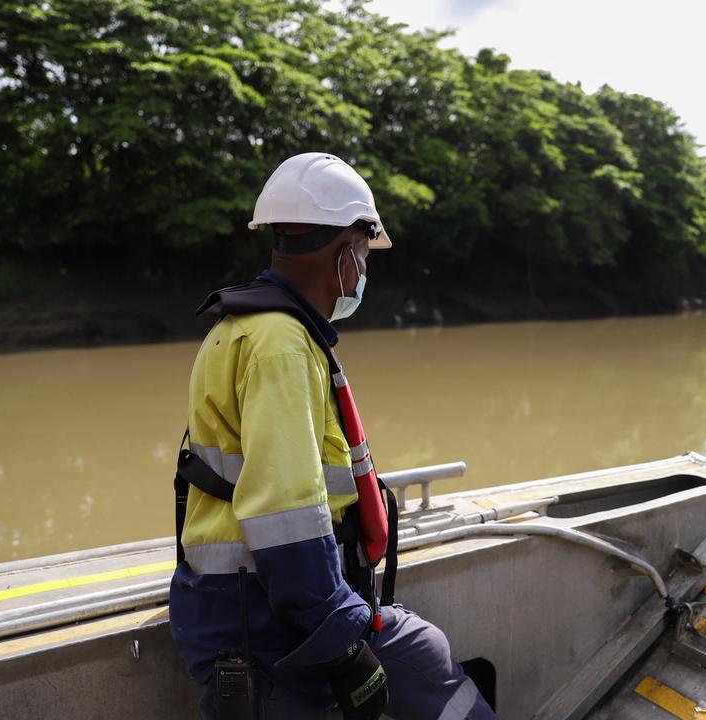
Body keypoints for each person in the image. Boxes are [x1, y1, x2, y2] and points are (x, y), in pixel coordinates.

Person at [169, 152, 496, 720]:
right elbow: (284, 517)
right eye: (365, 253)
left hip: (268, 604)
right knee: (423, 666)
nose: (365, 269)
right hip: (268, 623)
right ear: (345, 252)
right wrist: (343, 645)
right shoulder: (282, 345)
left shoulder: (249, 327)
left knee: (427, 659)